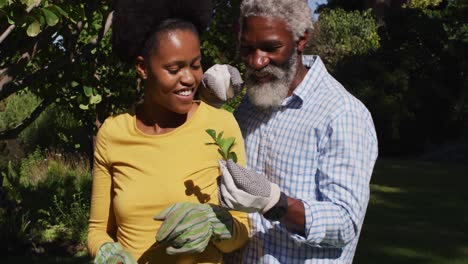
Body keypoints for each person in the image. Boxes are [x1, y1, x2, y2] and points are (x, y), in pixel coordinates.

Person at [202, 0, 379, 263]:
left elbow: (345, 222)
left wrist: (276, 203)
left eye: (271, 47)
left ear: (301, 39)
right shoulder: (249, 106)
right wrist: (206, 100)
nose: (257, 61)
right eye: (247, 49)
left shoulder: (342, 113)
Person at [86, 0, 250, 263]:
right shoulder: (113, 133)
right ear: (142, 67)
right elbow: (97, 231)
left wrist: (215, 224)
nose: (189, 78)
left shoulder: (221, 126)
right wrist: (106, 252)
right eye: (174, 69)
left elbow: (242, 230)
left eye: (195, 65)